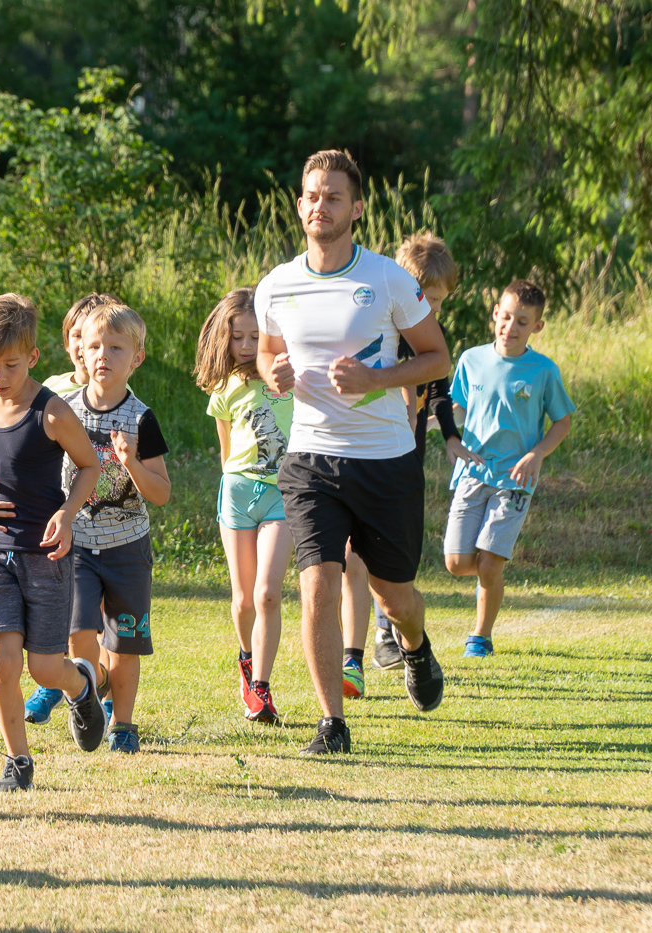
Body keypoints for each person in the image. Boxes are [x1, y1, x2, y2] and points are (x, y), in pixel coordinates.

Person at [255, 149, 450, 755]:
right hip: (311, 457)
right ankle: (331, 723)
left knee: (396, 596)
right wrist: (273, 373)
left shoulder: (388, 280)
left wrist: (376, 380)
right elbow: (266, 353)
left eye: (333, 197)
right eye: (312, 195)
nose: (321, 206)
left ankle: (413, 645)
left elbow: (436, 358)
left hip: (386, 459)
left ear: (356, 208)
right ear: (299, 205)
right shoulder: (276, 285)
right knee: (316, 585)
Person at [0, 293, 105, 791]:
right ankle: (17, 763)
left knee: (44, 669)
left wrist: (67, 513)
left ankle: (82, 684)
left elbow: (90, 466)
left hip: (47, 556)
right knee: (1, 661)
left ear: (34, 358)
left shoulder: (52, 412)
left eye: (10, 365)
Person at [341, 233, 463, 691]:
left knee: (391, 551)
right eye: (426, 298)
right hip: (364, 450)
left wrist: (449, 436)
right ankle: (376, 637)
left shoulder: (429, 336)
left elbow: (440, 392)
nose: (431, 308)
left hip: (406, 455)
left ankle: (394, 628)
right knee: (355, 551)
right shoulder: (380, 330)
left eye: (438, 301)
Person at [58, 301, 171, 752]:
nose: (103, 355)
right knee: (77, 631)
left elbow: (161, 492)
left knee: (125, 642)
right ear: (80, 354)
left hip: (127, 546)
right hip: (79, 544)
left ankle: (123, 725)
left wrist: (130, 462)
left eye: (115, 347)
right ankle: (87, 697)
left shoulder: (141, 418)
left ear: (136, 358)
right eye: (94, 346)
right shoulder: (63, 410)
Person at [443, 280, 574, 657]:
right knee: (456, 563)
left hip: (515, 481)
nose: (510, 327)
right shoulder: (471, 359)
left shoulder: (543, 370)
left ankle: (479, 638)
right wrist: (433, 423)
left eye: (522, 321)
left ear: (537, 327)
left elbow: (562, 421)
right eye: (505, 317)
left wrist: (538, 454)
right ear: (494, 316)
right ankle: (492, 576)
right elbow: (458, 409)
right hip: (472, 473)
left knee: (488, 560)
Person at [24, 290, 126, 726]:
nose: (88, 347)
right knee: (67, 612)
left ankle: (94, 685)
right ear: (71, 343)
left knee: (103, 618)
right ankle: (59, 682)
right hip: (59, 513)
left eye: (99, 337)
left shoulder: (115, 389)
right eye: (78, 336)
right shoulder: (51, 391)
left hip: (106, 520)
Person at [194, 287, 293, 725]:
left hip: (283, 494)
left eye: (257, 336)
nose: (249, 346)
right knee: (243, 601)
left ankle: (263, 688)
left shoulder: (289, 377)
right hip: (236, 495)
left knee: (268, 594)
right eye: (239, 337)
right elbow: (226, 451)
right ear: (226, 338)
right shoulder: (224, 387)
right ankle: (246, 659)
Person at [41, 292, 121, 396]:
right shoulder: (50, 387)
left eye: (93, 337)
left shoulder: (119, 393)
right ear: (67, 343)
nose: (83, 345)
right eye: (77, 335)